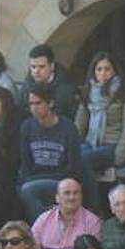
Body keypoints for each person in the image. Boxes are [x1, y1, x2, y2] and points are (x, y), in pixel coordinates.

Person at [16, 82, 84, 222]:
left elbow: (72, 168)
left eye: (38, 103)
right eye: (31, 104)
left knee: (28, 189)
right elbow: (26, 163)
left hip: (61, 179)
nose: (33, 108)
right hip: (34, 178)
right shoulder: (27, 126)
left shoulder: (68, 128)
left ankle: (43, 229)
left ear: (51, 103)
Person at [73, 53, 125, 178]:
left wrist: (120, 156)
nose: (103, 73)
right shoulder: (88, 90)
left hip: (112, 146)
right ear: (94, 72)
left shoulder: (124, 91)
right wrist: (72, 144)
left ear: (115, 71)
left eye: (107, 69)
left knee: (81, 160)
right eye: (99, 69)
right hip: (90, 143)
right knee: (68, 157)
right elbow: (79, 123)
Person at [29, 178, 100, 249]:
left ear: (81, 196)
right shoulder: (43, 219)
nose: (72, 197)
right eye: (67, 193)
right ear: (57, 198)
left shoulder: (92, 222)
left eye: (76, 193)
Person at [22, 45, 77, 121]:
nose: (36, 71)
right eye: (33, 67)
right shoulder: (27, 85)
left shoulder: (66, 88)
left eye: (41, 67)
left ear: (52, 66)